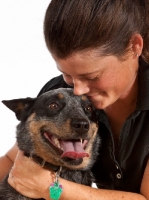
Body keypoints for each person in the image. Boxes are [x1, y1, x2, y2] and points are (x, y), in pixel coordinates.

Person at [0, 0, 149, 199]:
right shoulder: (59, 90)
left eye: (91, 76)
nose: (77, 90)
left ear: (134, 46)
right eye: (67, 74)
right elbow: (12, 160)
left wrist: (49, 187)